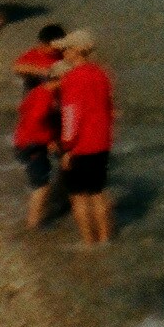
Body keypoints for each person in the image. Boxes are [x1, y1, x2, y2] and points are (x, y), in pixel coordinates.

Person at [53, 28, 115, 246]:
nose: (64, 53)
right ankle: (107, 240)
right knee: (98, 192)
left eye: (67, 49)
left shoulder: (71, 78)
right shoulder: (101, 73)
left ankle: (89, 242)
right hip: (102, 141)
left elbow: (71, 114)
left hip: (81, 144)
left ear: (78, 51)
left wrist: (67, 147)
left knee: (79, 197)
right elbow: (110, 109)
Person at [12, 28, 66, 231]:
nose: (59, 49)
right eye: (56, 46)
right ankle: (34, 225)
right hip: (37, 127)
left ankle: (61, 196)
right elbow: (17, 67)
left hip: (42, 120)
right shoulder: (35, 56)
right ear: (44, 44)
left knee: (66, 159)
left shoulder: (63, 55)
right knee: (40, 186)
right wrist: (43, 72)